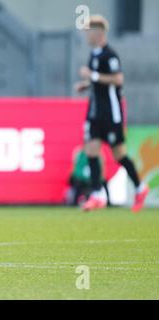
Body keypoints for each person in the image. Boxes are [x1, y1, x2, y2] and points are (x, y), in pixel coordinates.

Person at [74, 15, 149, 213]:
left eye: (89, 31)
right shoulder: (94, 54)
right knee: (91, 149)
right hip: (95, 110)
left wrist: (93, 76)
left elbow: (118, 79)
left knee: (119, 154)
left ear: (98, 33)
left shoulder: (110, 55)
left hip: (111, 113)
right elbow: (98, 80)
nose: (86, 35)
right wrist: (87, 84)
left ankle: (140, 188)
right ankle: (98, 194)